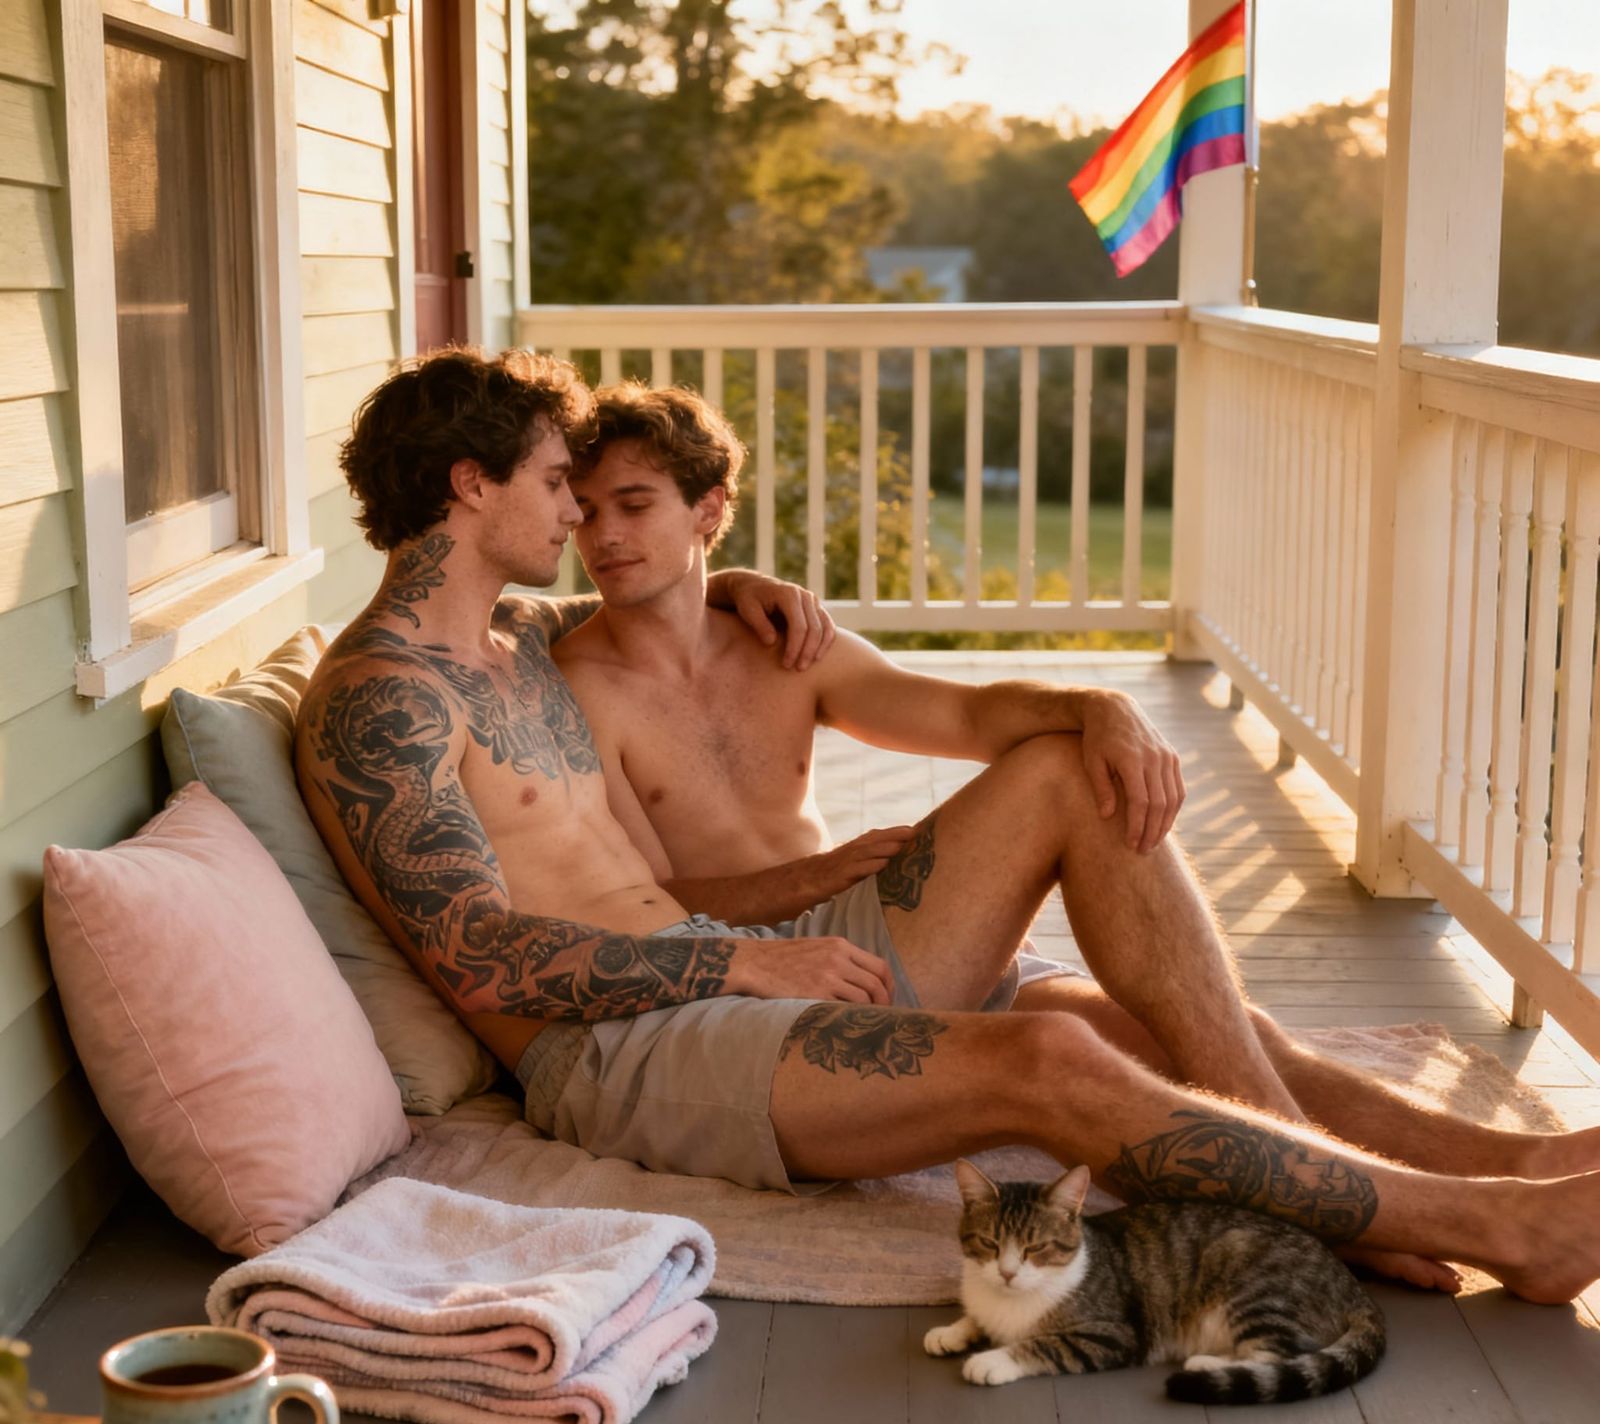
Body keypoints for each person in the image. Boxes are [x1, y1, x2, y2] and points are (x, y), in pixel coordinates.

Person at [294, 348, 1600, 1308]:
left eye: (597, 496)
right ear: (471, 488)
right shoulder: (380, 704)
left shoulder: (516, 643)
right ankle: (1495, 1225)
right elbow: (479, 956)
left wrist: (731, 576)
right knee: (1055, 1067)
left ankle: (1514, 1164)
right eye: (554, 485)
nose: (579, 515)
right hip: (624, 1052)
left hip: (718, 973)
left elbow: (656, 609)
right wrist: (736, 959)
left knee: (1064, 816)